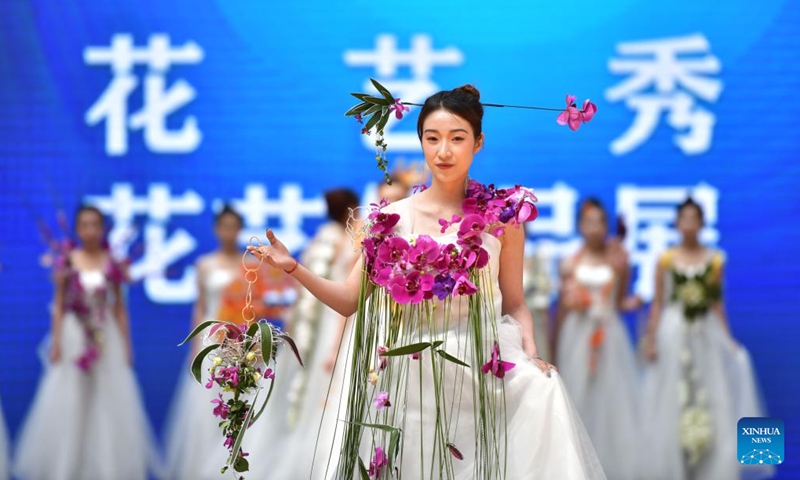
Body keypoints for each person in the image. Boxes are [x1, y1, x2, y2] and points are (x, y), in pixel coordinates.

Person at [250, 85, 605, 479]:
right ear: (420, 142)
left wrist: (531, 351)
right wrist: (292, 267)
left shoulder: (503, 220)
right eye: (432, 139)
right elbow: (350, 300)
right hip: (410, 374)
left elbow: (515, 303)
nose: (444, 151)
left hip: (481, 369)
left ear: (479, 142)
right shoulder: (391, 219)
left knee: (544, 394)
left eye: (457, 138)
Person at [13, 205, 161, 480]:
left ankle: (104, 468)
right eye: (84, 225)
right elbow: (58, 304)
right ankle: (66, 467)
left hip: (106, 335)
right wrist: (56, 341)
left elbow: (119, 307)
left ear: (103, 228)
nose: (90, 230)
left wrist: (127, 346)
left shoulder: (112, 262)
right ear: (77, 228)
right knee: (69, 397)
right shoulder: (67, 260)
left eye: (95, 224)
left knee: (108, 399)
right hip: (73, 334)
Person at [641, 198, 773, 480]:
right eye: (684, 218)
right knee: (672, 396)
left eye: (694, 218)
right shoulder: (665, 259)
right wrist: (651, 339)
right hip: (673, 332)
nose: (689, 224)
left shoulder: (715, 260)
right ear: (677, 223)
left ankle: (717, 467)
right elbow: (658, 303)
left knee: (713, 393)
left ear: (702, 223)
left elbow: (718, 305)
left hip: (706, 333)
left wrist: (729, 340)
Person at [260, 188, 362, 479]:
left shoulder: (322, 239)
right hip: (337, 317)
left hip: (330, 315)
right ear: (350, 209)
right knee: (328, 388)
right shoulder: (347, 240)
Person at [554, 198, 641, 480]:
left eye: (599, 222)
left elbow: (620, 301)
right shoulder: (570, 262)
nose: (594, 228)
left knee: (612, 398)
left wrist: (632, 302)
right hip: (577, 335)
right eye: (588, 222)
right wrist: (553, 346)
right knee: (577, 395)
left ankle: (609, 466)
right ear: (579, 226)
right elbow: (563, 309)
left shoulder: (617, 261)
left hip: (608, 334)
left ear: (606, 225)